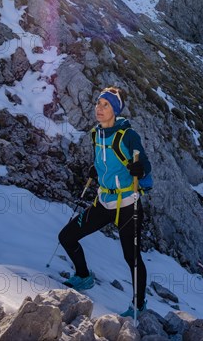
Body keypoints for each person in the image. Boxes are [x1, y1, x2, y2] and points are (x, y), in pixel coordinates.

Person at [58, 86, 152, 317]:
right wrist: (97, 170)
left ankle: (138, 305)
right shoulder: (95, 133)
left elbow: (146, 166)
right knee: (66, 236)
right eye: (98, 104)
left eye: (106, 105)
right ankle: (83, 276)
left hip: (127, 204)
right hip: (103, 202)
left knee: (132, 258)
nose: (99, 109)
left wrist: (139, 168)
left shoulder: (128, 135)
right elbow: (104, 161)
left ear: (116, 109)